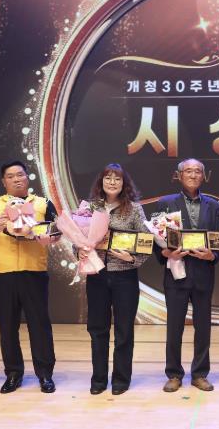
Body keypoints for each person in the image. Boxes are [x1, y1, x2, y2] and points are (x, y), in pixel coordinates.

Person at [0, 161, 58, 394]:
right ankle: (13, 374)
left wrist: (44, 236)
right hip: (4, 274)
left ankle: (45, 374)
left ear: (27, 177)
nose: (16, 179)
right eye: (10, 176)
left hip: (34, 272)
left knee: (40, 325)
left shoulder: (42, 203)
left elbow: (56, 232)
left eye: (20, 174)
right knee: (8, 326)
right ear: (4, 181)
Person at [77, 163, 148, 395]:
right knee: (97, 329)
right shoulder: (89, 208)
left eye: (117, 179)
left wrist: (132, 258)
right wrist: (80, 251)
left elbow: (146, 242)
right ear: (101, 181)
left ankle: (121, 379)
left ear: (124, 183)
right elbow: (77, 238)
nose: (112, 182)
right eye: (108, 178)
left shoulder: (134, 209)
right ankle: (98, 379)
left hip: (125, 277)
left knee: (124, 330)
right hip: (97, 275)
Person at [156, 158, 219, 393]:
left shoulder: (214, 206)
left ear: (203, 176)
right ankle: (174, 374)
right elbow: (156, 239)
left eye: (197, 171)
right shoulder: (165, 204)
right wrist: (165, 252)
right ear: (179, 175)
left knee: (203, 327)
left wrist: (213, 256)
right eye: (188, 171)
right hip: (177, 273)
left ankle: (200, 374)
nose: (193, 175)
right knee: (174, 327)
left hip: (203, 273)